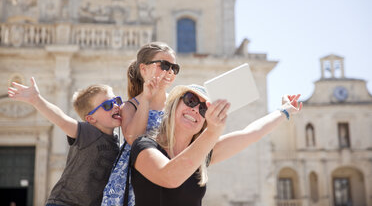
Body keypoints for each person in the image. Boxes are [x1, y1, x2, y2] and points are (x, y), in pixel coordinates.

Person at [130, 84, 303, 206]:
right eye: (190, 100)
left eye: (204, 109)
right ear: (175, 105)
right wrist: (212, 132)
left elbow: (251, 133)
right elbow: (170, 177)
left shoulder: (203, 153)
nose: (196, 109)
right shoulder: (144, 145)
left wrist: (285, 111)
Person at [8, 78, 122, 206]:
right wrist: (37, 100)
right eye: (108, 105)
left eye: (116, 101)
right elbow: (61, 120)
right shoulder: (88, 133)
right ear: (91, 118)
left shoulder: (117, 141)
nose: (116, 106)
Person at [101, 42, 179, 205]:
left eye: (174, 67)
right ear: (143, 69)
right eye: (164, 65)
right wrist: (146, 99)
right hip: (136, 179)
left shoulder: (177, 105)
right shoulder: (130, 106)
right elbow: (134, 138)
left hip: (167, 172)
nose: (170, 71)